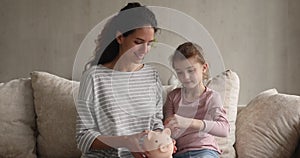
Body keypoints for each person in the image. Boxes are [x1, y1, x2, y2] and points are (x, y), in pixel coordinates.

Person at [76, 2, 164, 158]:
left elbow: (157, 124)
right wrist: (126, 141)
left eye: (150, 43)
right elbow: (83, 138)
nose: (145, 50)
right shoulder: (94, 78)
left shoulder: (152, 76)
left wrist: (160, 141)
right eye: (138, 42)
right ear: (120, 37)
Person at [163, 42, 230, 158]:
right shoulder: (173, 97)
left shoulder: (211, 97)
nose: (186, 77)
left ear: (204, 68)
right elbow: (168, 130)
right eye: (180, 72)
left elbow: (224, 129)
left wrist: (190, 122)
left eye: (190, 70)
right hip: (179, 152)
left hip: (205, 150)